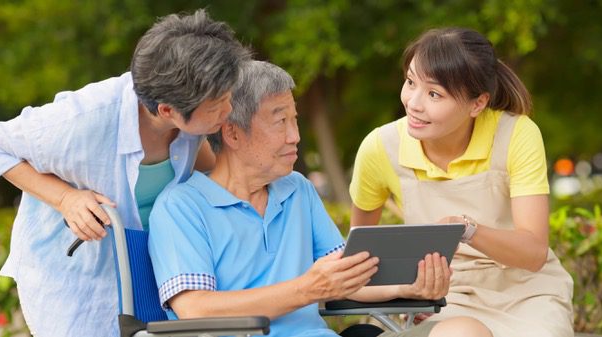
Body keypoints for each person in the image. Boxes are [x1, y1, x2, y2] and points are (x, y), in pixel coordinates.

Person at [148, 60, 492, 337]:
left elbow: (346, 276)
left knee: (466, 330)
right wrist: (306, 289)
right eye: (280, 122)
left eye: (294, 120)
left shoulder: (296, 189)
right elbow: (195, 309)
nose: (295, 136)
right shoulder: (181, 206)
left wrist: (413, 287)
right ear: (233, 132)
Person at [0, 9, 250, 337]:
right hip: (76, 279)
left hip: (147, 267)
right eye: (218, 104)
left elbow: (195, 158)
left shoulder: (190, 116)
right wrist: (65, 198)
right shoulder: (82, 120)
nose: (228, 110)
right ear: (166, 110)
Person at [349, 27, 574, 337]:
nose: (413, 103)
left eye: (434, 94)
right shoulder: (380, 147)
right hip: (443, 297)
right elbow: (360, 256)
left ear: (477, 104)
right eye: (410, 82)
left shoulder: (516, 134)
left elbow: (534, 253)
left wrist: (466, 229)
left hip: (526, 294)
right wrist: (411, 288)